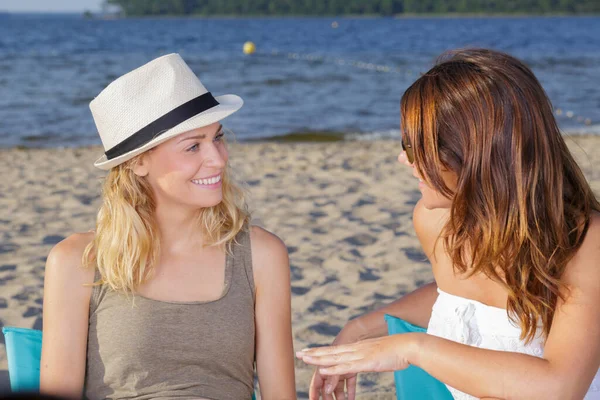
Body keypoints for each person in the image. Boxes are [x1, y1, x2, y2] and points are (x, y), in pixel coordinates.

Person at [297, 48, 600, 399]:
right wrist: (362, 328)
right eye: (405, 145)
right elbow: (457, 297)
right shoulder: (436, 221)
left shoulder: (584, 243)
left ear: (474, 154)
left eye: (416, 148)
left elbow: (559, 387)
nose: (403, 159)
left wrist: (412, 348)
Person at [40, 54, 296, 400]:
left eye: (217, 138)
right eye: (193, 146)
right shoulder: (75, 261)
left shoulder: (261, 255)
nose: (219, 159)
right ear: (138, 162)